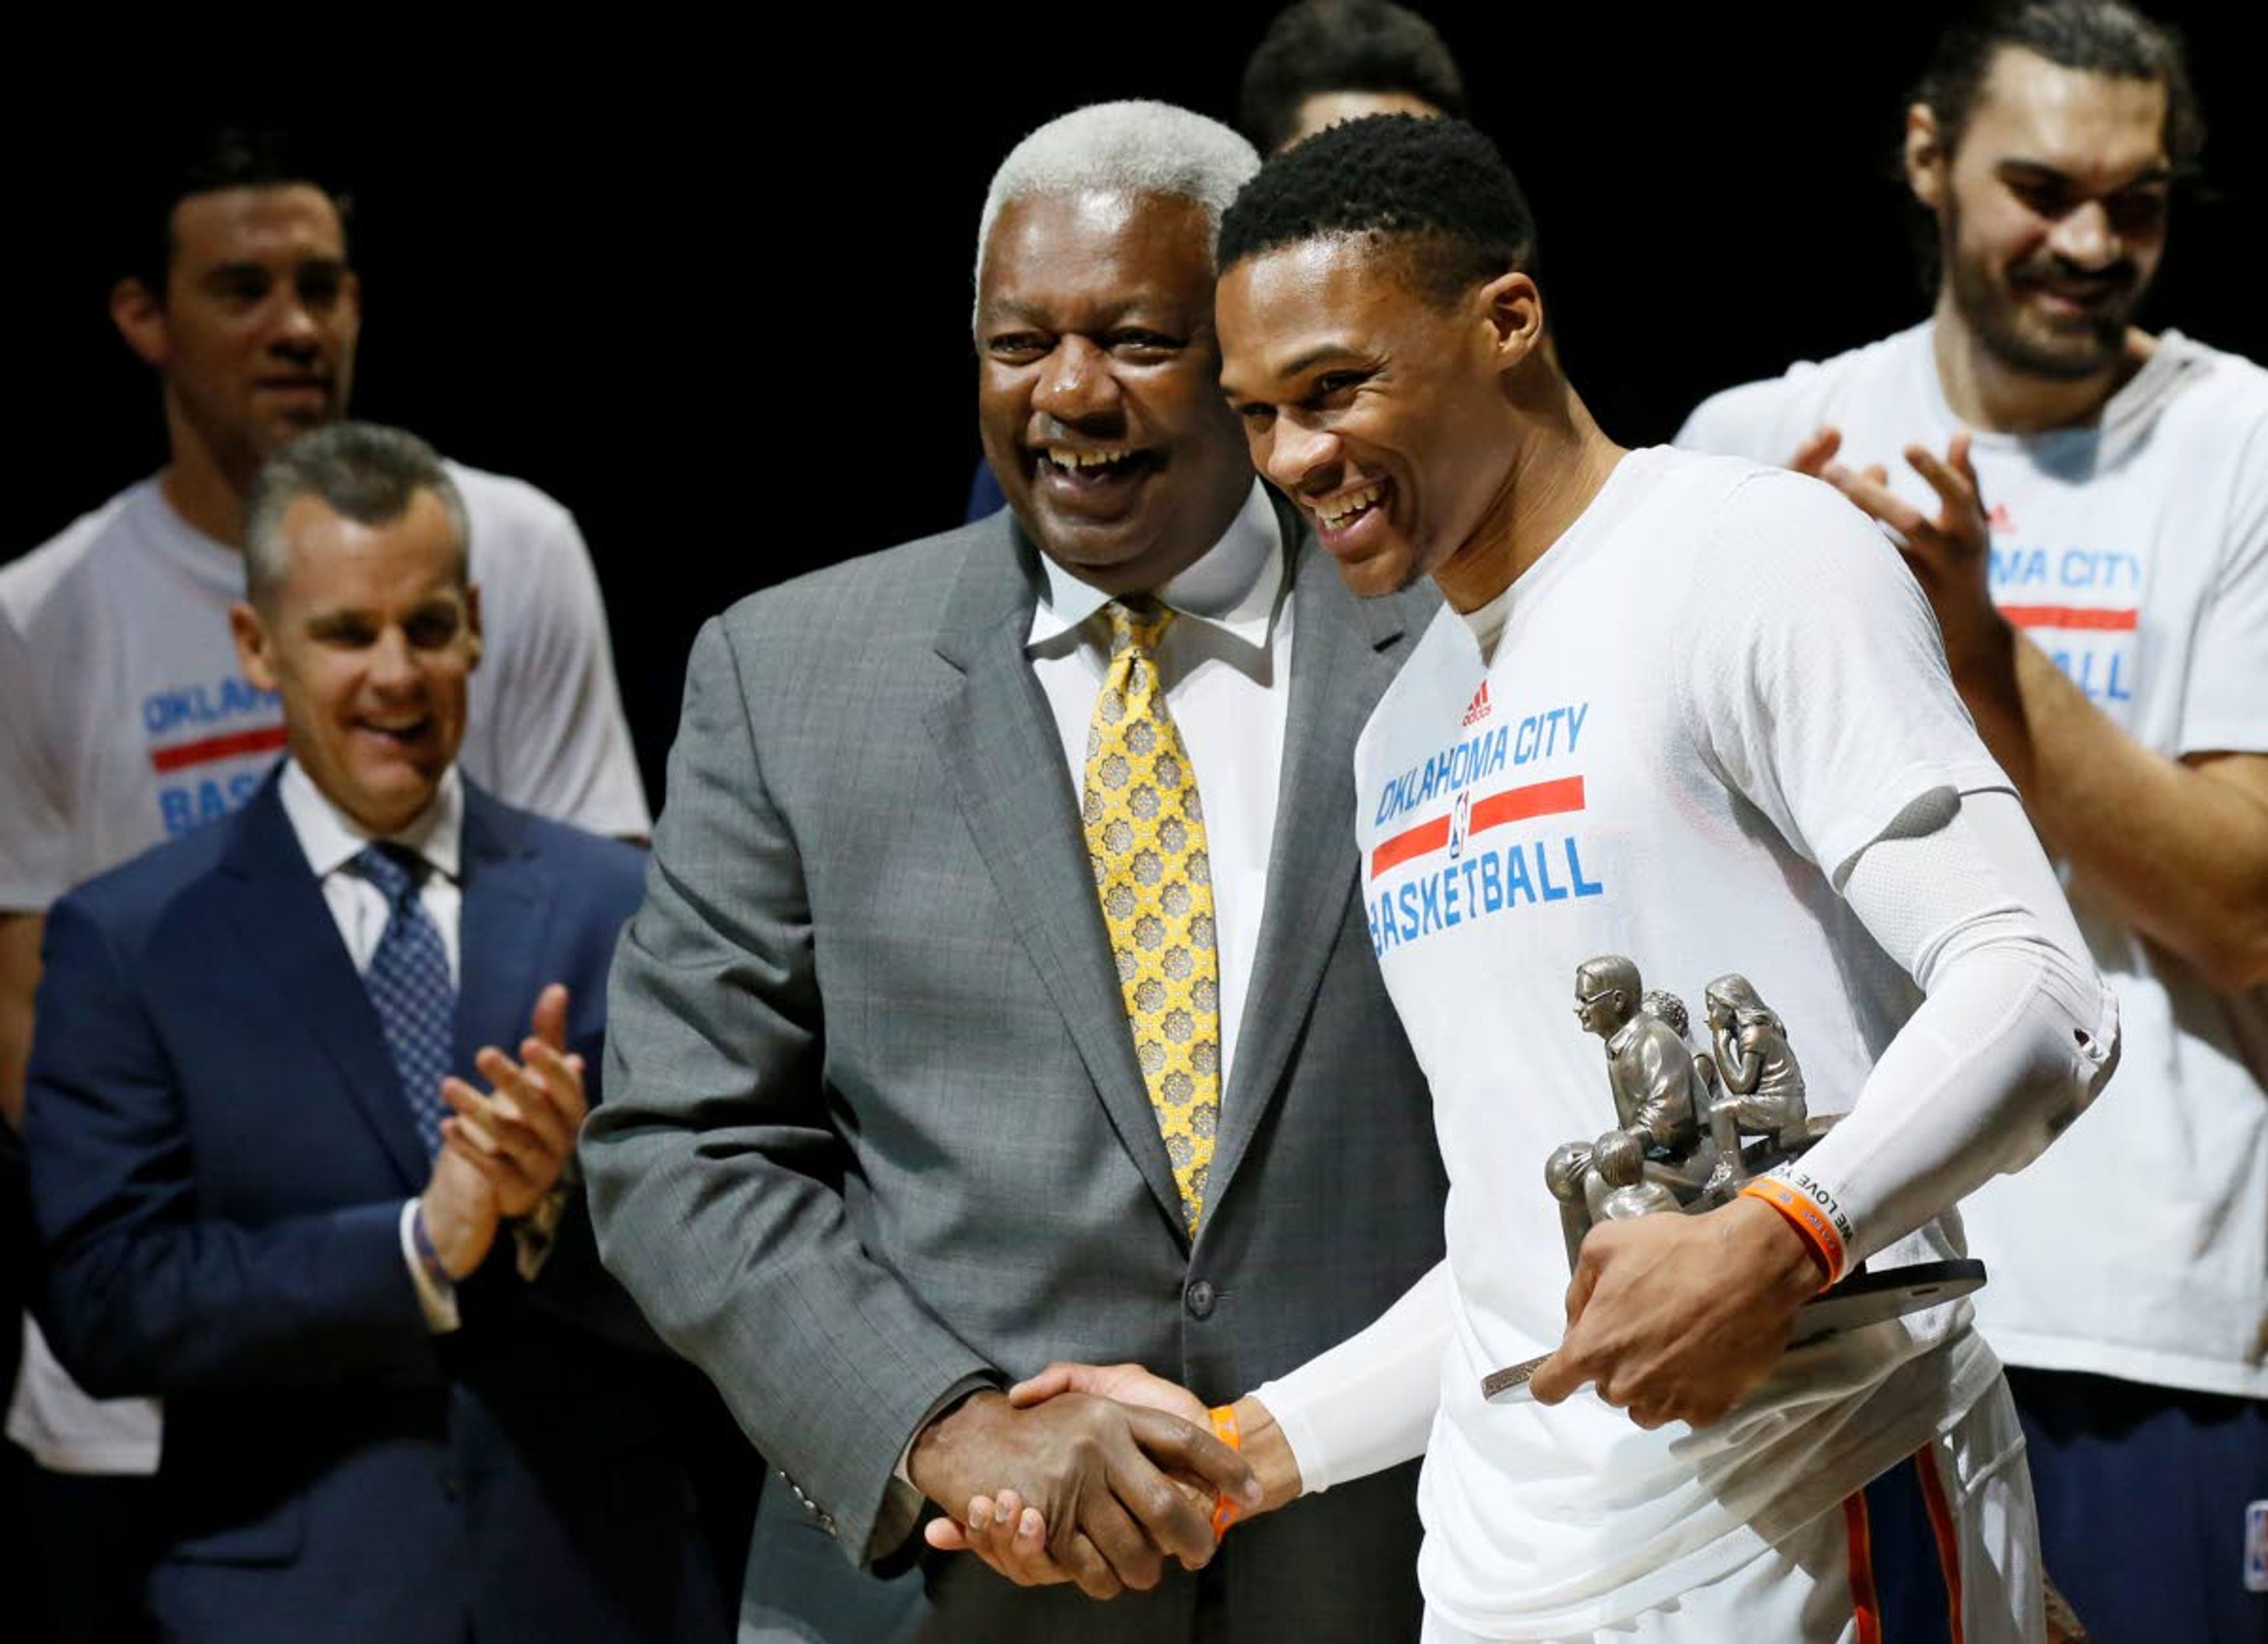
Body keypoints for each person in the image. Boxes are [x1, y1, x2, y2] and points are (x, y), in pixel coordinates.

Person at [946, 113, 2120, 1642]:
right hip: (1505, 1578)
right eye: (1261, 411)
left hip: (1813, 1515)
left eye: (1336, 388)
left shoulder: (1748, 554)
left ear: (1507, 319)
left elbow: (2041, 994)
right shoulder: (1403, 728)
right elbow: (1513, 1262)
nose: (1295, 457)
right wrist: (1238, 1454)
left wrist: (1785, 1232)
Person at [580, 100, 1449, 1641]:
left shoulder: (1454, 647)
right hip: (958, 1589)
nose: (1068, 392)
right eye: (1016, 342)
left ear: (1246, 347)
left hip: (1398, 1577)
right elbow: (678, 1148)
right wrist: (944, 1427)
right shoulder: (789, 676)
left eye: (1133, 336)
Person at [0, 128, 651, 1639]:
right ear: (258, 652)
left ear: (477, 626)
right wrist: (418, 1242)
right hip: (281, 1587)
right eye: (347, 634)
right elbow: (104, 1294)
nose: (394, 676)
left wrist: (555, 1208)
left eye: (427, 628)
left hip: (589, 1576)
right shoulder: (131, 936)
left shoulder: (598, 901)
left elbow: (710, 1222)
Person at [1674, 4, 2266, 1634]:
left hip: (2143, 1319)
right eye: (2043, 188)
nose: (2092, 242)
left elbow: (2241, 908)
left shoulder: (2241, 442)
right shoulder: (1750, 447)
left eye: (2137, 200)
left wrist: (1979, 652)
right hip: (1825, 1312)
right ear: (1928, 160)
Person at [961, 1, 1467, 527]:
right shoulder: (1045, 464)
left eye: (1411, 181)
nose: (1373, 223)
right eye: (1331, 182)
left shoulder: (1505, 413)